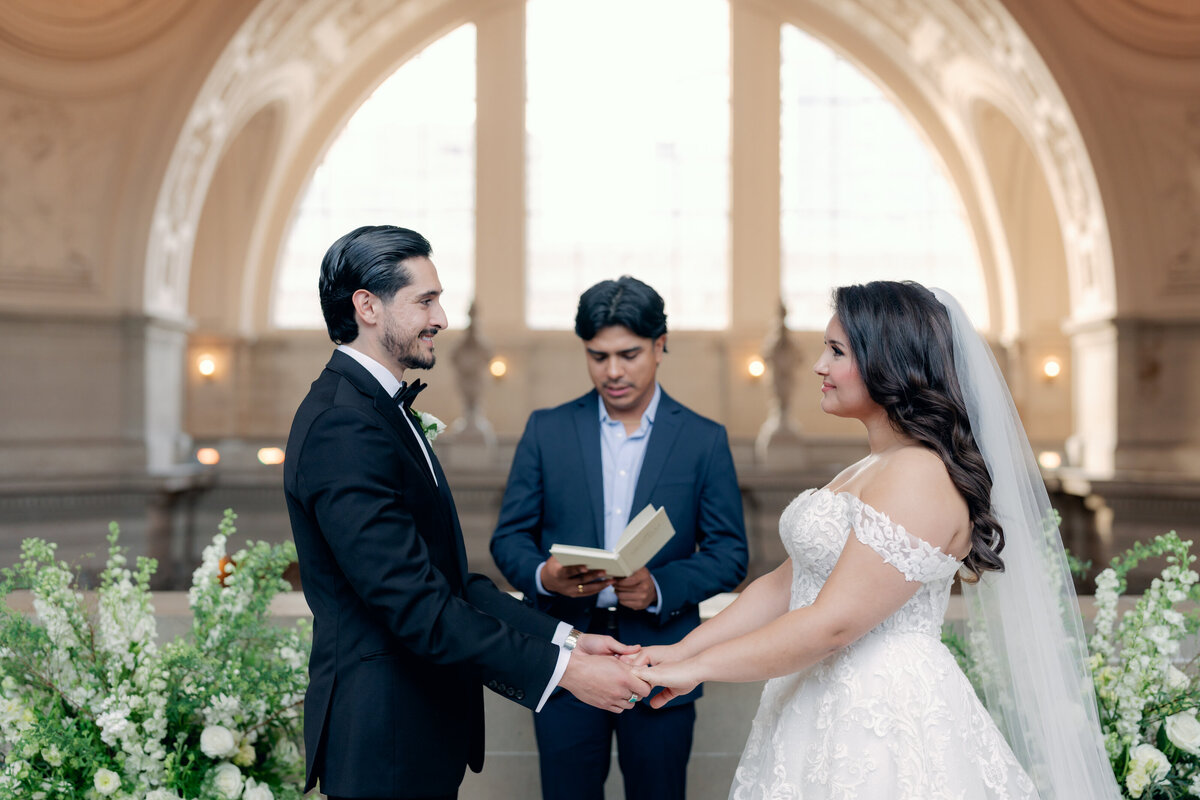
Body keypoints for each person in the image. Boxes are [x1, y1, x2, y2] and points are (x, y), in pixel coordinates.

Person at [629, 281, 1121, 799]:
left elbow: (832, 623)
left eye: (837, 351)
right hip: (813, 697)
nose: (819, 365)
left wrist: (697, 670)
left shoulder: (919, 473)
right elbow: (782, 587)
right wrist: (680, 651)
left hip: (878, 715)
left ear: (888, 362)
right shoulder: (871, 466)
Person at [283, 226, 650, 800]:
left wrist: (567, 641)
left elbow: (449, 583)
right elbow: (417, 605)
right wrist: (569, 674)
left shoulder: (376, 409)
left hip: (418, 731)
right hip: (385, 739)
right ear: (367, 306)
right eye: (425, 300)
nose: (443, 318)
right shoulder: (343, 424)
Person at [489, 276, 749, 800]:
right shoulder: (547, 429)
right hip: (567, 655)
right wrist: (547, 576)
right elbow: (509, 537)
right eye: (597, 355)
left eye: (628, 354)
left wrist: (660, 586)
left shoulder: (703, 439)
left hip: (661, 657)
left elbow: (730, 553)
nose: (612, 371)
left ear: (660, 344)